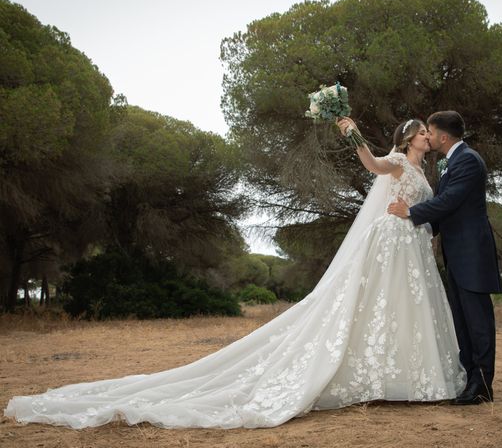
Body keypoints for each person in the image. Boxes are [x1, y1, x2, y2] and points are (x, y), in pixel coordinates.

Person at [4, 118, 465, 430]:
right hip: (390, 241)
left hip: (412, 243)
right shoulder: (399, 162)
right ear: (409, 139)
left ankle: (405, 374)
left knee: (405, 309)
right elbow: (369, 165)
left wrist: (422, 224)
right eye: (423, 132)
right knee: (378, 304)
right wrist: (353, 132)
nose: (428, 136)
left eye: (429, 132)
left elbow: (425, 206)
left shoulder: (428, 170)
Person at [387, 110, 502, 405]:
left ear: (442, 136)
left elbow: (449, 201)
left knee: (477, 321)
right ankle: (469, 380)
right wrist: (422, 230)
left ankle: (482, 386)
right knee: (462, 321)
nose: (428, 135)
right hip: (457, 253)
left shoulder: (467, 160)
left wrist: (412, 213)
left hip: (472, 254)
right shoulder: (451, 163)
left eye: (431, 131)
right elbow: (448, 208)